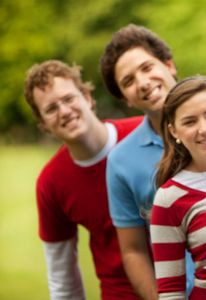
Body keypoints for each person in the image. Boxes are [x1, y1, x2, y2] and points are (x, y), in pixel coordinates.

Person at [99, 24, 206, 299]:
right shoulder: (121, 161)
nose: (142, 83)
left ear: (169, 64)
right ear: (124, 98)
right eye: (128, 81)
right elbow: (133, 250)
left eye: (147, 67)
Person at [24, 60, 142, 299]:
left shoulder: (142, 133)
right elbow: (62, 278)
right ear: (43, 124)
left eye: (69, 99)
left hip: (185, 285)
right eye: (51, 109)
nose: (64, 111)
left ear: (87, 97)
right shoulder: (51, 183)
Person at [150, 75, 206, 299]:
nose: (204, 129)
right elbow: (171, 292)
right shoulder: (168, 198)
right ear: (174, 131)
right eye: (190, 122)